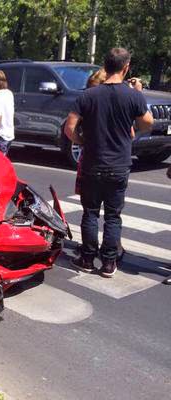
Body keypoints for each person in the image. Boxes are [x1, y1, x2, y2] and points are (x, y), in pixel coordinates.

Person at [64, 48, 154, 278]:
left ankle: (86, 258)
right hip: (119, 165)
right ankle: (108, 263)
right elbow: (147, 124)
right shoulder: (133, 96)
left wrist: (81, 140)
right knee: (113, 216)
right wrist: (138, 95)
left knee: (90, 213)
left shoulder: (88, 95)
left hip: (92, 163)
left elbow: (69, 128)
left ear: (105, 65)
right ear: (126, 67)